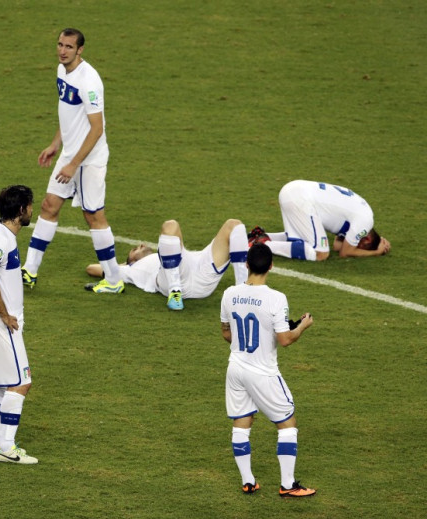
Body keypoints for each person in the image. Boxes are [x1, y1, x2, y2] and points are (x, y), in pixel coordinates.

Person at [22, 28, 124, 294]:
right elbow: (68, 113)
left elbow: (96, 128)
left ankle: (113, 281)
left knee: (94, 216)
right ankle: (29, 271)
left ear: (80, 50)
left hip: (89, 158)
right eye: (59, 44)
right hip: (70, 153)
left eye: (68, 47)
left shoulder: (90, 81)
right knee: (49, 205)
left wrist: (73, 164)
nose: (62, 50)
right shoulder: (61, 70)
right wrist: (56, 144)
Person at [220, 243, 316, 497]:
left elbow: (226, 333)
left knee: (242, 422)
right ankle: (288, 485)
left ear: (247, 264)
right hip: (262, 373)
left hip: (236, 369)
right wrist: (303, 326)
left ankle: (248, 481)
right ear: (271, 265)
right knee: (287, 424)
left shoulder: (229, 293)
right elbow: (285, 339)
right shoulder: (276, 298)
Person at [0, 185, 38, 464]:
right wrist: (4, 314)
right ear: (20, 211)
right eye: (29, 206)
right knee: (21, 381)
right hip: (2, 321)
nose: (32, 210)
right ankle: (7, 447)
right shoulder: (0, 240)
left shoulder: (0, 234)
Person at [86, 219, 249, 310]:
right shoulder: (130, 270)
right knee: (170, 226)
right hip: (171, 280)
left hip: (200, 271)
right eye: (135, 249)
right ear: (132, 260)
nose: (141, 245)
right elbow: (92, 268)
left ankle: (243, 292)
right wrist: (121, 266)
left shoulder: (169, 251)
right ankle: (175, 292)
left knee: (234, 225)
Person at [248, 180, 390, 261]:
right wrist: (375, 252)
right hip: (302, 200)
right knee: (320, 253)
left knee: (303, 239)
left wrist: (378, 243)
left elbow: (338, 246)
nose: (357, 248)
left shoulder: (362, 215)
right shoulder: (364, 222)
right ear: (366, 240)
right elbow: (345, 252)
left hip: (295, 190)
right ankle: (260, 245)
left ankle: (256, 236)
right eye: (361, 247)